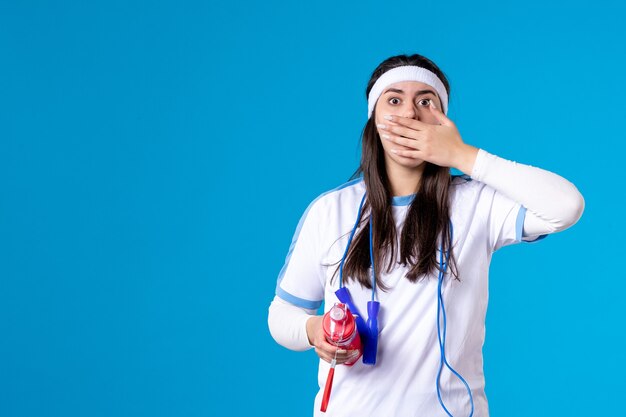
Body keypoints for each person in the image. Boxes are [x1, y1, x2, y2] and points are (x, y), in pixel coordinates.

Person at [267, 53, 585, 417]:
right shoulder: (330, 211)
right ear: (373, 118)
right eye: (394, 100)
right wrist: (312, 329)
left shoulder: (475, 203)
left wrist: (463, 155)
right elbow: (282, 315)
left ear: (443, 119)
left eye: (425, 101)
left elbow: (566, 206)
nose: (409, 114)